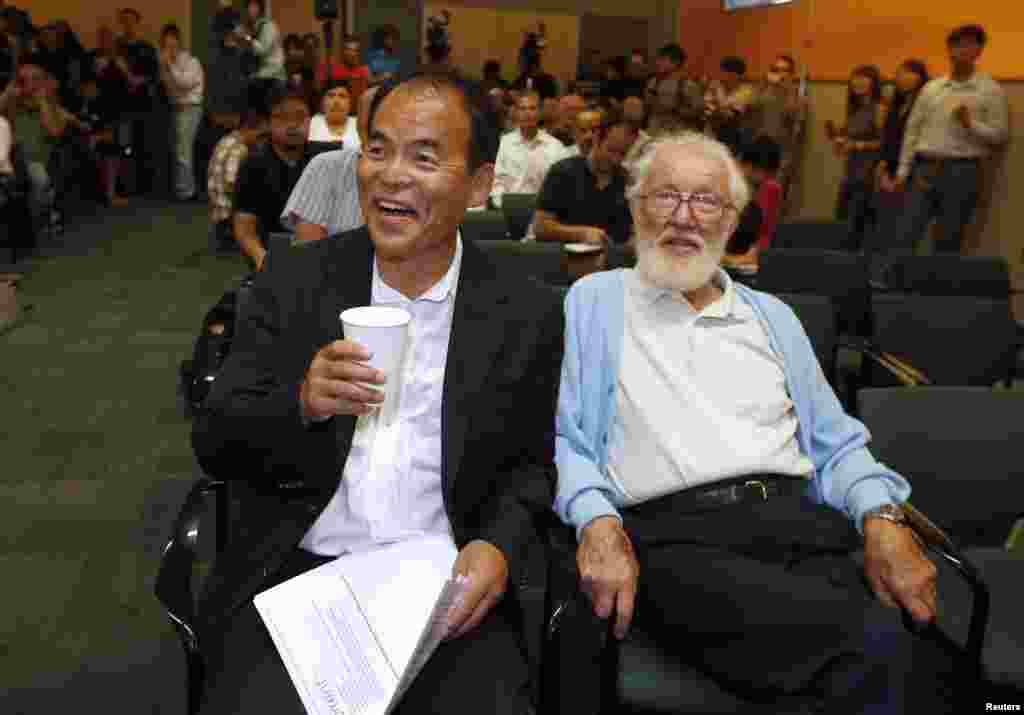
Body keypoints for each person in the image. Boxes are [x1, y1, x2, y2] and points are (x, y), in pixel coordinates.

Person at [192, 70, 563, 715]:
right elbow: (217, 441)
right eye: (378, 149)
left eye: (424, 157)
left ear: (477, 185)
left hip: (443, 593)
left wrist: (497, 544)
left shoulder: (520, 310)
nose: (391, 175)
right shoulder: (295, 281)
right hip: (300, 576)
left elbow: (530, 468)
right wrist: (302, 402)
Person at [554, 130, 958, 715]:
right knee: (876, 651)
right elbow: (570, 441)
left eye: (707, 201)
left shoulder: (772, 316)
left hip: (797, 523)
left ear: (734, 218)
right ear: (636, 207)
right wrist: (596, 521)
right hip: (675, 536)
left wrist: (882, 516)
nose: (685, 217)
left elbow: (835, 445)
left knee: (923, 642)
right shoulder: (595, 300)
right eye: (666, 196)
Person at [888, 24, 1008, 260]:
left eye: (971, 44)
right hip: (924, 168)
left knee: (949, 238)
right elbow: (912, 130)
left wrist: (970, 124)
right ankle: (894, 289)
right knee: (905, 232)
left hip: (962, 171)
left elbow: (999, 135)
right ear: (949, 49)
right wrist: (902, 171)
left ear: (979, 50)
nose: (964, 49)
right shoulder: (932, 88)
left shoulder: (990, 90)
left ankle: (937, 293)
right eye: (959, 44)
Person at [232, 84, 314, 270]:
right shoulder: (252, 165)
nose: (293, 125)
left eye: (300, 116)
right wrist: (262, 257)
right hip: (271, 255)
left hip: (318, 254)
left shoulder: (323, 159)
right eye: (283, 117)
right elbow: (244, 229)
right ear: (268, 123)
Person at [534, 106, 639, 246]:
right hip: (567, 257)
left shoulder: (627, 180)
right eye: (611, 150)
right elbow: (540, 227)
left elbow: (634, 232)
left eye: (622, 154)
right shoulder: (563, 172)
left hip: (613, 260)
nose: (616, 160)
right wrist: (581, 233)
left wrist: (634, 240)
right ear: (596, 139)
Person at [0, 59, 70, 230]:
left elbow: (55, 131)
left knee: (39, 178)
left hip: (37, 160)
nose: (28, 84)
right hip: (12, 159)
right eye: (23, 79)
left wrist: (42, 102)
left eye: (34, 79)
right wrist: (7, 92)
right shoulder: (13, 104)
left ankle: (35, 219)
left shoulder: (51, 105)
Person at [207, 80, 272, 251]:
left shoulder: (226, 140)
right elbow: (233, 186)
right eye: (262, 135)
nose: (263, 141)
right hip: (229, 222)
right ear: (251, 129)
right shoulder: (239, 151)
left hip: (220, 217)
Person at [828, 65, 884, 250]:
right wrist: (840, 142)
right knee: (842, 224)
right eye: (855, 78)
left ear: (874, 83)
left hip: (869, 176)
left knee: (858, 229)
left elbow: (886, 143)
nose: (858, 82)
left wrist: (857, 145)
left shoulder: (879, 108)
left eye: (864, 78)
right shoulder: (854, 109)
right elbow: (848, 142)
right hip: (850, 174)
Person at [490, 90, 568, 208]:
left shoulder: (556, 147)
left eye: (532, 108)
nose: (527, 113)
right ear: (516, 113)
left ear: (540, 112)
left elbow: (562, 185)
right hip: (509, 209)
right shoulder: (503, 144)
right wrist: (503, 204)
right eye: (522, 108)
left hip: (544, 210)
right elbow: (496, 181)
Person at [723, 134, 784, 270]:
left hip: (747, 261)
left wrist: (754, 253)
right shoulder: (723, 181)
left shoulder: (771, 189)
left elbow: (766, 233)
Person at [158, 23, 204, 201]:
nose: (169, 48)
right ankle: (182, 188)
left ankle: (187, 191)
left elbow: (184, 83)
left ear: (178, 42)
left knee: (184, 151)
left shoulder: (191, 61)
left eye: (172, 44)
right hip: (176, 109)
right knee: (179, 151)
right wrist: (165, 67)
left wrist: (168, 65)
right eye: (166, 45)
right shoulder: (166, 64)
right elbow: (169, 88)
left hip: (190, 109)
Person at [645, 43, 704, 134]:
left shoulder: (688, 85)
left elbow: (698, 112)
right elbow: (647, 107)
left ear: (675, 63)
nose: (658, 63)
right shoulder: (653, 82)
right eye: (658, 59)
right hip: (654, 133)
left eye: (663, 60)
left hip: (678, 136)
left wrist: (674, 109)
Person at [703, 55, 755, 152]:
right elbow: (707, 109)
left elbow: (733, 116)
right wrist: (717, 111)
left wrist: (718, 109)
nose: (726, 76)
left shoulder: (746, 91)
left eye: (730, 73)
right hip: (711, 136)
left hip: (733, 139)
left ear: (739, 75)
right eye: (724, 72)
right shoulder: (714, 85)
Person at [239, 0, 285, 81]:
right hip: (262, 75)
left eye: (253, 6)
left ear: (259, 8)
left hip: (273, 76)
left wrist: (246, 37)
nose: (250, 10)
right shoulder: (253, 27)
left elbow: (262, 50)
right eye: (248, 7)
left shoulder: (268, 26)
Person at [308, 79, 359, 147]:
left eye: (342, 96)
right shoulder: (312, 123)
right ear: (323, 102)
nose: (336, 101)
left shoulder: (359, 125)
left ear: (350, 103)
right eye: (331, 96)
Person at [319, 35, 370, 102]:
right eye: (349, 50)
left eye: (355, 50)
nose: (352, 54)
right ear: (343, 51)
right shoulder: (332, 69)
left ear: (359, 53)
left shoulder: (364, 70)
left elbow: (365, 95)